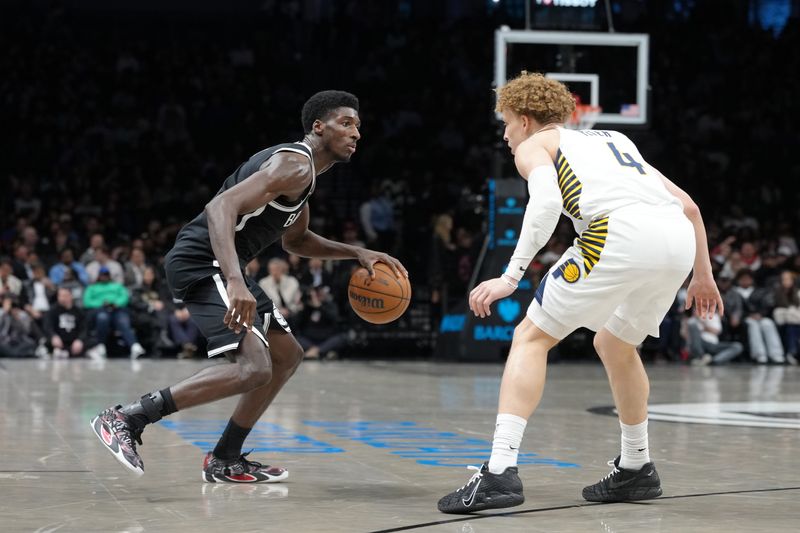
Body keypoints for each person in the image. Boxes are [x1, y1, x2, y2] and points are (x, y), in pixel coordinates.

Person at [437, 72, 723, 513]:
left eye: (507, 123)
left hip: (617, 234)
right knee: (615, 343)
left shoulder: (537, 145)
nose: (507, 135)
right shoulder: (616, 140)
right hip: (675, 241)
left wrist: (509, 278)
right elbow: (689, 206)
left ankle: (499, 471)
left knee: (530, 337)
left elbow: (547, 204)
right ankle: (636, 466)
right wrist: (703, 275)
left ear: (527, 120)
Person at [90, 90, 407, 483]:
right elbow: (219, 207)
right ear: (318, 127)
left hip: (226, 266)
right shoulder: (295, 164)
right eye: (346, 123)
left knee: (287, 355)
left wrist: (356, 252)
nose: (356, 132)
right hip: (203, 263)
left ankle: (225, 457)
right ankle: (127, 417)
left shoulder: (304, 176)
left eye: (358, 125)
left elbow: (297, 241)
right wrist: (236, 281)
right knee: (253, 368)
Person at [83, 266, 146, 359]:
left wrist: (116, 303)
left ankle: (134, 346)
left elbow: (124, 297)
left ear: (109, 276)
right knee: (102, 318)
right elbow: (87, 302)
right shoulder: (92, 288)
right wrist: (102, 303)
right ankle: (100, 347)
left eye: (106, 275)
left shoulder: (117, 286)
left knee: (123, 320)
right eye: (102, 275)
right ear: (99, 276)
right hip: (100, 310)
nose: (104, 277)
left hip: (117, 309)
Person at [44, 287, 87, 358]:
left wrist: (80, 340)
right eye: (60, 296)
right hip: (59, 340)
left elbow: (84, 328)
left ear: (71, 296)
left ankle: (67, 352)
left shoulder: (79, 311)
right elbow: (48, 326)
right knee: (46, 341)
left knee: (92, 340)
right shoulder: (52, 310)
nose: (62, 298)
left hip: (74, 340)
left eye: (65, 296)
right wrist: (53, 336)